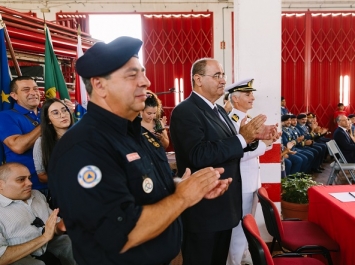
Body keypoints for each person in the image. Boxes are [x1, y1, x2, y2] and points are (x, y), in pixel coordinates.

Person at [48, 37, 230, 265]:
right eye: (132, 75)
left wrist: (184, 187)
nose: (146, 81)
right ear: (99, 85)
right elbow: (123, 232)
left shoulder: (136, 134)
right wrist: (184, 197)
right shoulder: (84, 148)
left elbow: (142, 188)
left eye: (142, 73)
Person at [169, 58, 274, 265]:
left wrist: (253, 139)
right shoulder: (186, 111)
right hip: (204, 211)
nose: (223, 80)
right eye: (216, 75)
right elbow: (198, 155)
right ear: (198, 79)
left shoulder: (218, 111)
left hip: (225, 208)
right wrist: (242, 138)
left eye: (223, 75)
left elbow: (230, 149)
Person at [225, 78, 277, 265]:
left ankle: (244, 254)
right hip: (242, 183)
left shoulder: (245, 120)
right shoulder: (233, 121)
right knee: (239, 228)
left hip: (250, 181)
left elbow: (249, 147)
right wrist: (264, 145)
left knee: (248, 224)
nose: (253, 98)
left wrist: (267, 141)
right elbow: (236, 154)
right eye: (248, 94)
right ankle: (235, 261)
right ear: (236, 99)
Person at [0, 162, 76, 265]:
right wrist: (44, 237)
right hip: (18, 256)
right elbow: (2, 258)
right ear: (1, 184)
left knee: (74, 243)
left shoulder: (37, 195)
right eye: (21, 179)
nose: (30, 183)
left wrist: (62, 225)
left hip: (50, 244)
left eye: (29, 178)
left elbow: (53, 230)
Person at [33, 98, 74, 185]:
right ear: (48, 120)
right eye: (55, 113)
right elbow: (42, 176)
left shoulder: (83, 135)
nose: (63, 115)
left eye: (64, 110)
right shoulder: (41, 142)